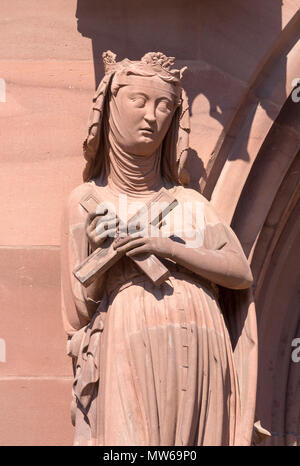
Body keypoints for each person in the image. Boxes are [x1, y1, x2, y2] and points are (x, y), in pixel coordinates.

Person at [61, 51, 257, 446]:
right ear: (111, 108)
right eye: (139, 101)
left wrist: (165, 246)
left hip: (201, 344)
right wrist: (103, 256)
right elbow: (79, 311)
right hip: (127, 341)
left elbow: (240, 272)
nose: (152, 116)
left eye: (164, 106)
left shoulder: (190, 203)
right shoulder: (85, 202)